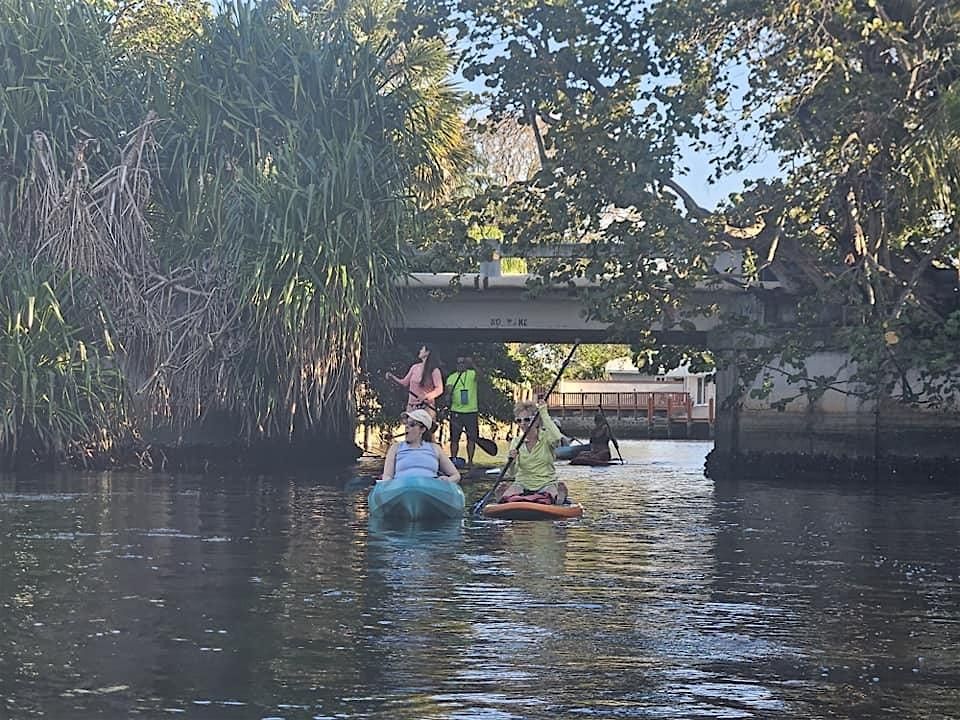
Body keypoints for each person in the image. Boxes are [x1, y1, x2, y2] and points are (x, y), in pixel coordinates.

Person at [492, 400, 568, 505]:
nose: (523, 424)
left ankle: (559, 498)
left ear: (536, 421)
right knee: (506, 499)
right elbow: (513, 473)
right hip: (522, 483)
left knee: (552, 496)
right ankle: (503, 498)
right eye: (519, 421)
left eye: (527, 420)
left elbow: (557, 438)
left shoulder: (547, 437)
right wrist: (512, 461)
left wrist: (544, 413)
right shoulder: (516, 442)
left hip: (546, 483)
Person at [380, 408, 461, 483]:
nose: (407, 427)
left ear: (422, 429)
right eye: (406, 424)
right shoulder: (395, 448)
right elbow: (387, 476)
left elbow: (456, 476)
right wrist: (387, 483)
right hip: (402, 488)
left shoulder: (435, 448)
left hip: (430, 489)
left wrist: (448, 480)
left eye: (412, 424)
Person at [385, 343, 444, 415]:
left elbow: (439, 389)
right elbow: (404, 383)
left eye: (422, 349)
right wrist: (392, 377)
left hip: (426, 407)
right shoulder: (414, 367)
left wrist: (426, 397)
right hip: (411, 407)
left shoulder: (434, 370)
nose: (420, 351)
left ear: (427, 352)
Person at [446, 355, 480, 466]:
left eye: (463, 363)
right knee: (454, 438)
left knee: (471, 438)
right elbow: (448, 391)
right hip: (456, 411)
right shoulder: (452, 377)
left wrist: (472, 364)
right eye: (459, 363)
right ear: (456, 365)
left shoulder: (471, 373)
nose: (461, 365)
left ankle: (470, 461)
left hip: (471, 412)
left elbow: (481, 376)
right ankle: (454, 460)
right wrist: (449, 393)